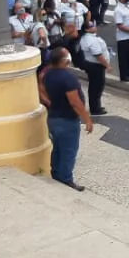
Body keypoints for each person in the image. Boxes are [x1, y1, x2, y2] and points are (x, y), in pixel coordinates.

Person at [38, 47, 92, 191]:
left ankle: (55, 173)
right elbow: (74, 101)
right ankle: (66, 179)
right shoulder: (68, 78)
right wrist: (87, 119)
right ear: (63, 60)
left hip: (54, 117)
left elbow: (44, 91)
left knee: (58, 148)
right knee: (69, 151)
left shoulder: (48, 74)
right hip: (67, 120)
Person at [78, 20, 110, 115]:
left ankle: (96, 105)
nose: (94, 27)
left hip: (91, 64)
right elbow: (98, 55)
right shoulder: (91, 40)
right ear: (87, 30)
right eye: (92, 26)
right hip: (96, 66)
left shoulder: (86, 38)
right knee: (97, 87)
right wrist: (107, 65)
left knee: (94, 86)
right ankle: (95, 108)